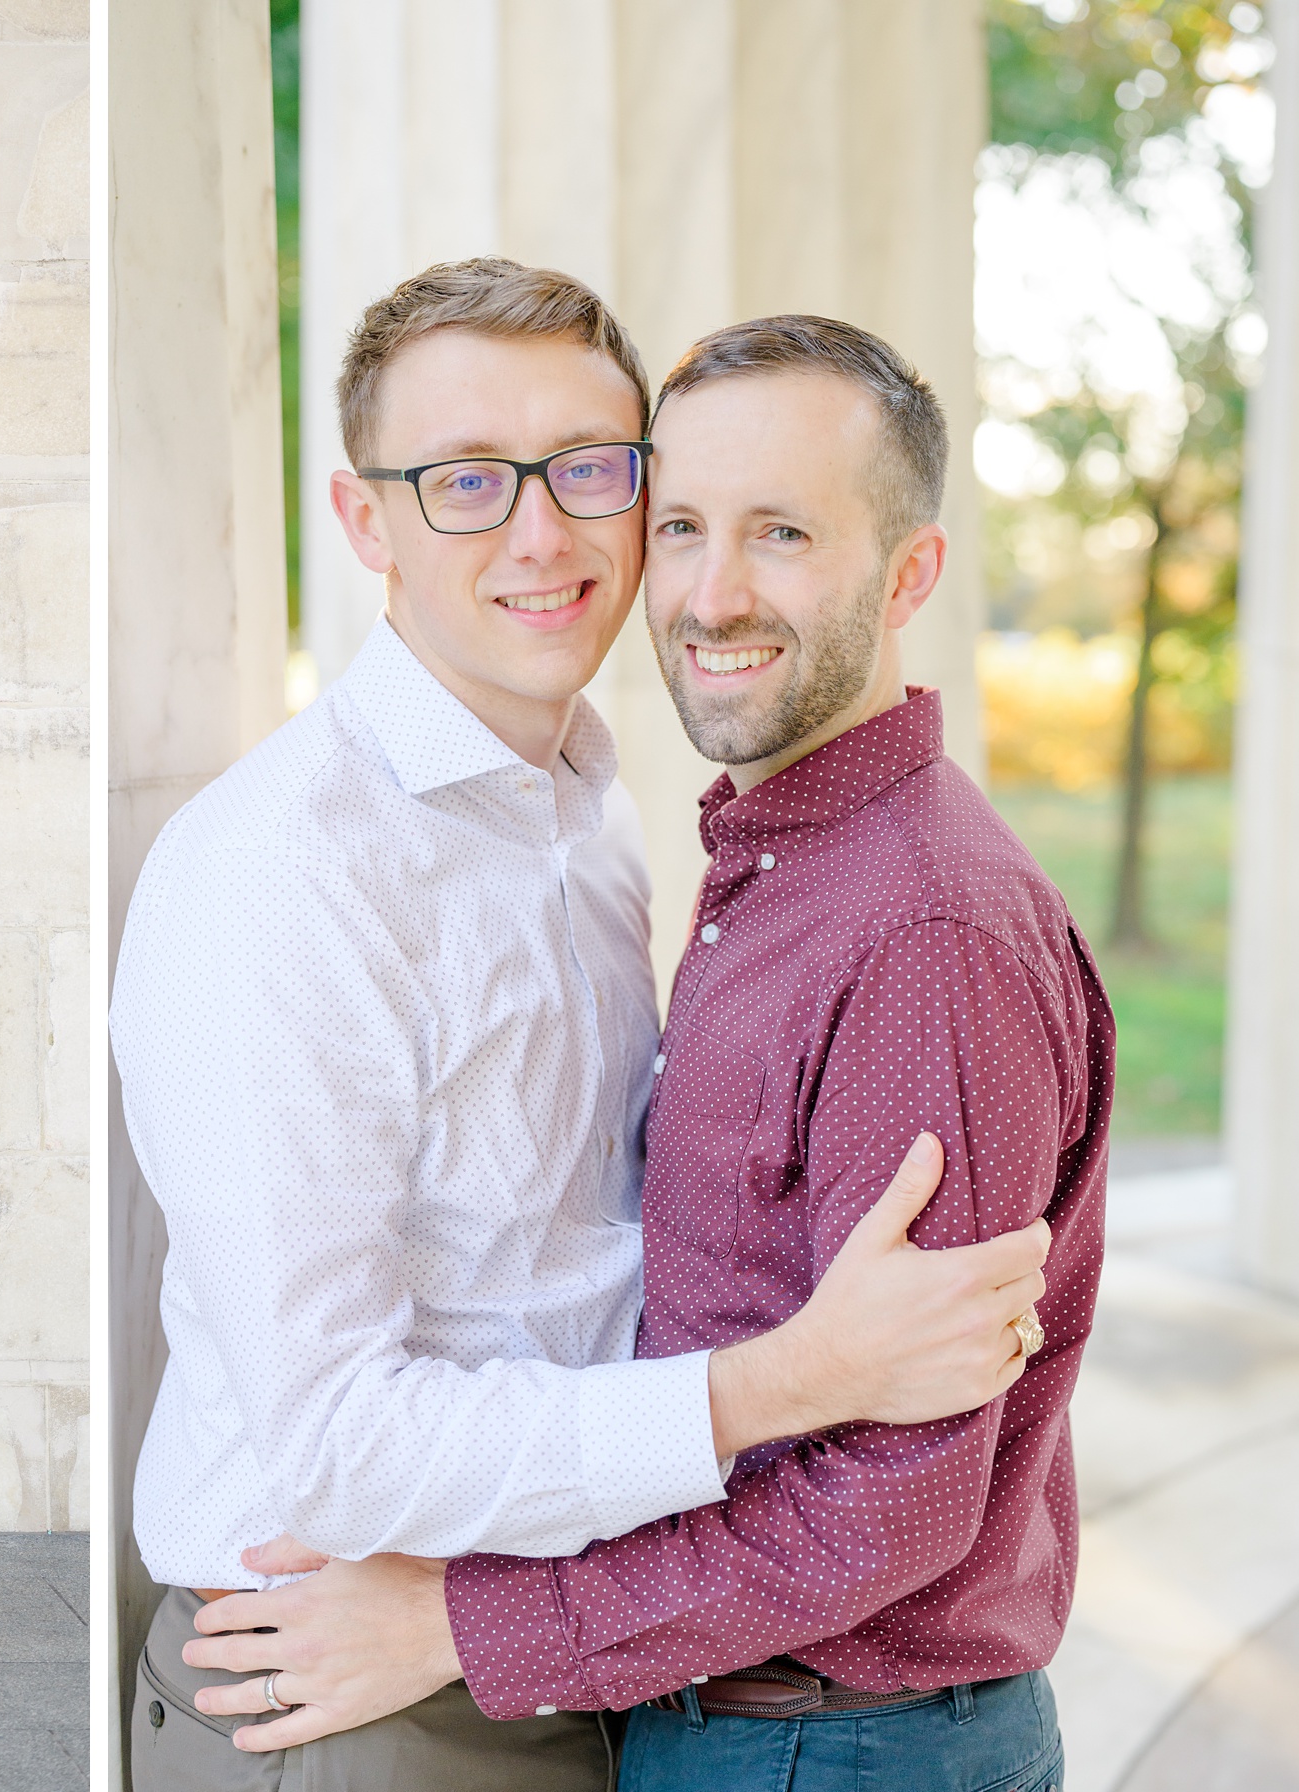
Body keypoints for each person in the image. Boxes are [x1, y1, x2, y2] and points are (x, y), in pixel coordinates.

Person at [111, 261, 1058, 1788]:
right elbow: (335, 1449)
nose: (544, 534)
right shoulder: (282, 875)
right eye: (467, 482)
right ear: (369, 524)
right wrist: (786, 1383)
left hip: (560, 1663)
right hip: (362, 1697)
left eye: (592, 473)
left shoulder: (592, 820)